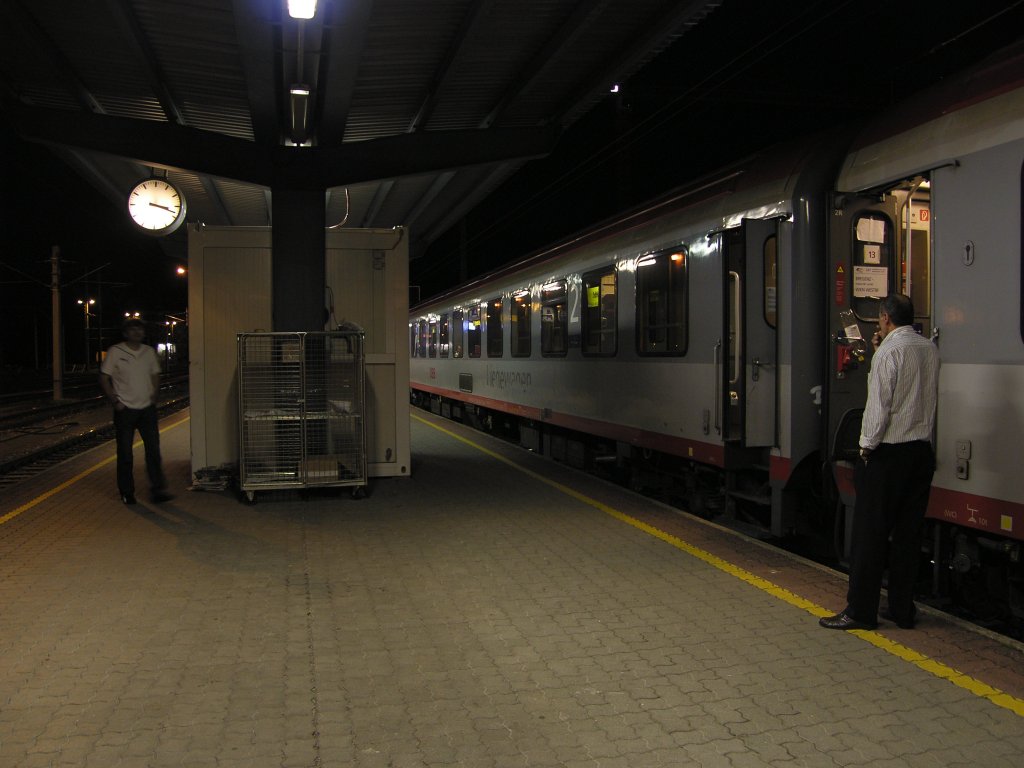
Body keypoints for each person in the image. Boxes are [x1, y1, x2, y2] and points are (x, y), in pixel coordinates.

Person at [820, 293, 939, 631]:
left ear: (885, 318)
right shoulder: (929, 349)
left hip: (887, 453)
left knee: (869, 536)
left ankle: (860, 611)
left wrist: (865, 447)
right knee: (907, 535)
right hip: (920, 453)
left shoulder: (889, 352)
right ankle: (902, 609)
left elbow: (880, 406)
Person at [99, 318, 172, 505]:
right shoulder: (116, 351)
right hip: (125, 410)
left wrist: (154, 396)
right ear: (125, 333)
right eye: (132, 330)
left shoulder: (149, 352)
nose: (137, 333)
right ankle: (127, 492)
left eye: (139, 330)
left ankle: (158, 490)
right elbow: (104, 377)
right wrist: (115, 401)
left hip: (147, 409)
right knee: (125, 453)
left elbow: (155, 375)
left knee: (153, 452)